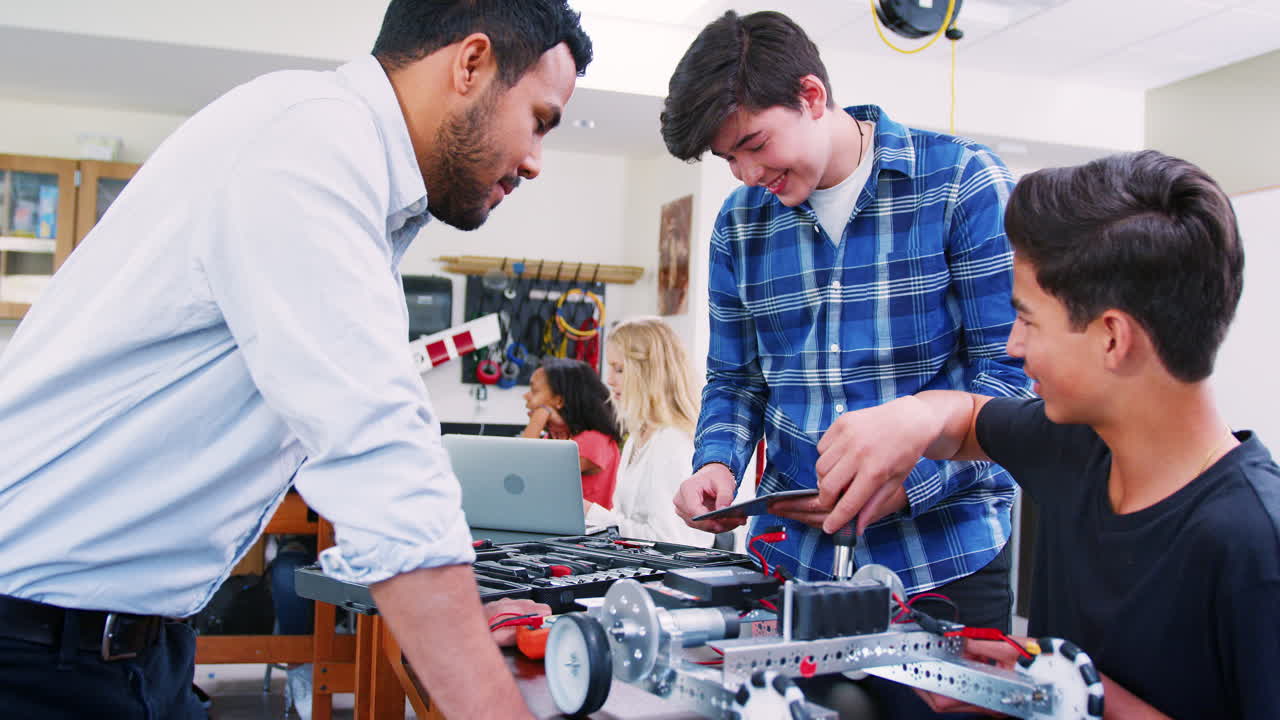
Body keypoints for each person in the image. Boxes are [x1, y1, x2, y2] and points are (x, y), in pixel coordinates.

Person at [0, 1, 589, 718]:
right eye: (540, 120)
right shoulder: (311, 142)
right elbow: (377, 449)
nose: (534, 161)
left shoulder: (342, 165)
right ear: (470, 64)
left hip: (130, 650)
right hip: (33, 654)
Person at [820, 150, 1279, 719]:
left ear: (1112, 338)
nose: (1013, 345)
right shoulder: (1072, 446)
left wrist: (1060, 685)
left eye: (1029, 320)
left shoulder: (1255, 541)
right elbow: (964, 416)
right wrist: (913, 417)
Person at [664, 10, 1029, 624]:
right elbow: (736, 378)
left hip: (944, 561)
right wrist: (717, 461)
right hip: (791, 564)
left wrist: (909, 478)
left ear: (812, 96)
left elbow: (1014, 382)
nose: (749, 175)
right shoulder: (738, 224)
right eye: (729, 158)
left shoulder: (962, 184)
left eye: (754, 145)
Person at [585, 317, 714, 547]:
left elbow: (671, 541)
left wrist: (591, 513)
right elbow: (628, 521)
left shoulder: (672, 442)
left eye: (620, 369)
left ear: (648, 373)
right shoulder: (638, 437)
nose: (609, 380)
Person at [520, 358, 622, 510]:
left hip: (589, 532)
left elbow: (523, 470)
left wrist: (541, 414)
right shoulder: (561, 437)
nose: (526, 396)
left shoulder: (594, 441)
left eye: (534, 391)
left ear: (559, 401)